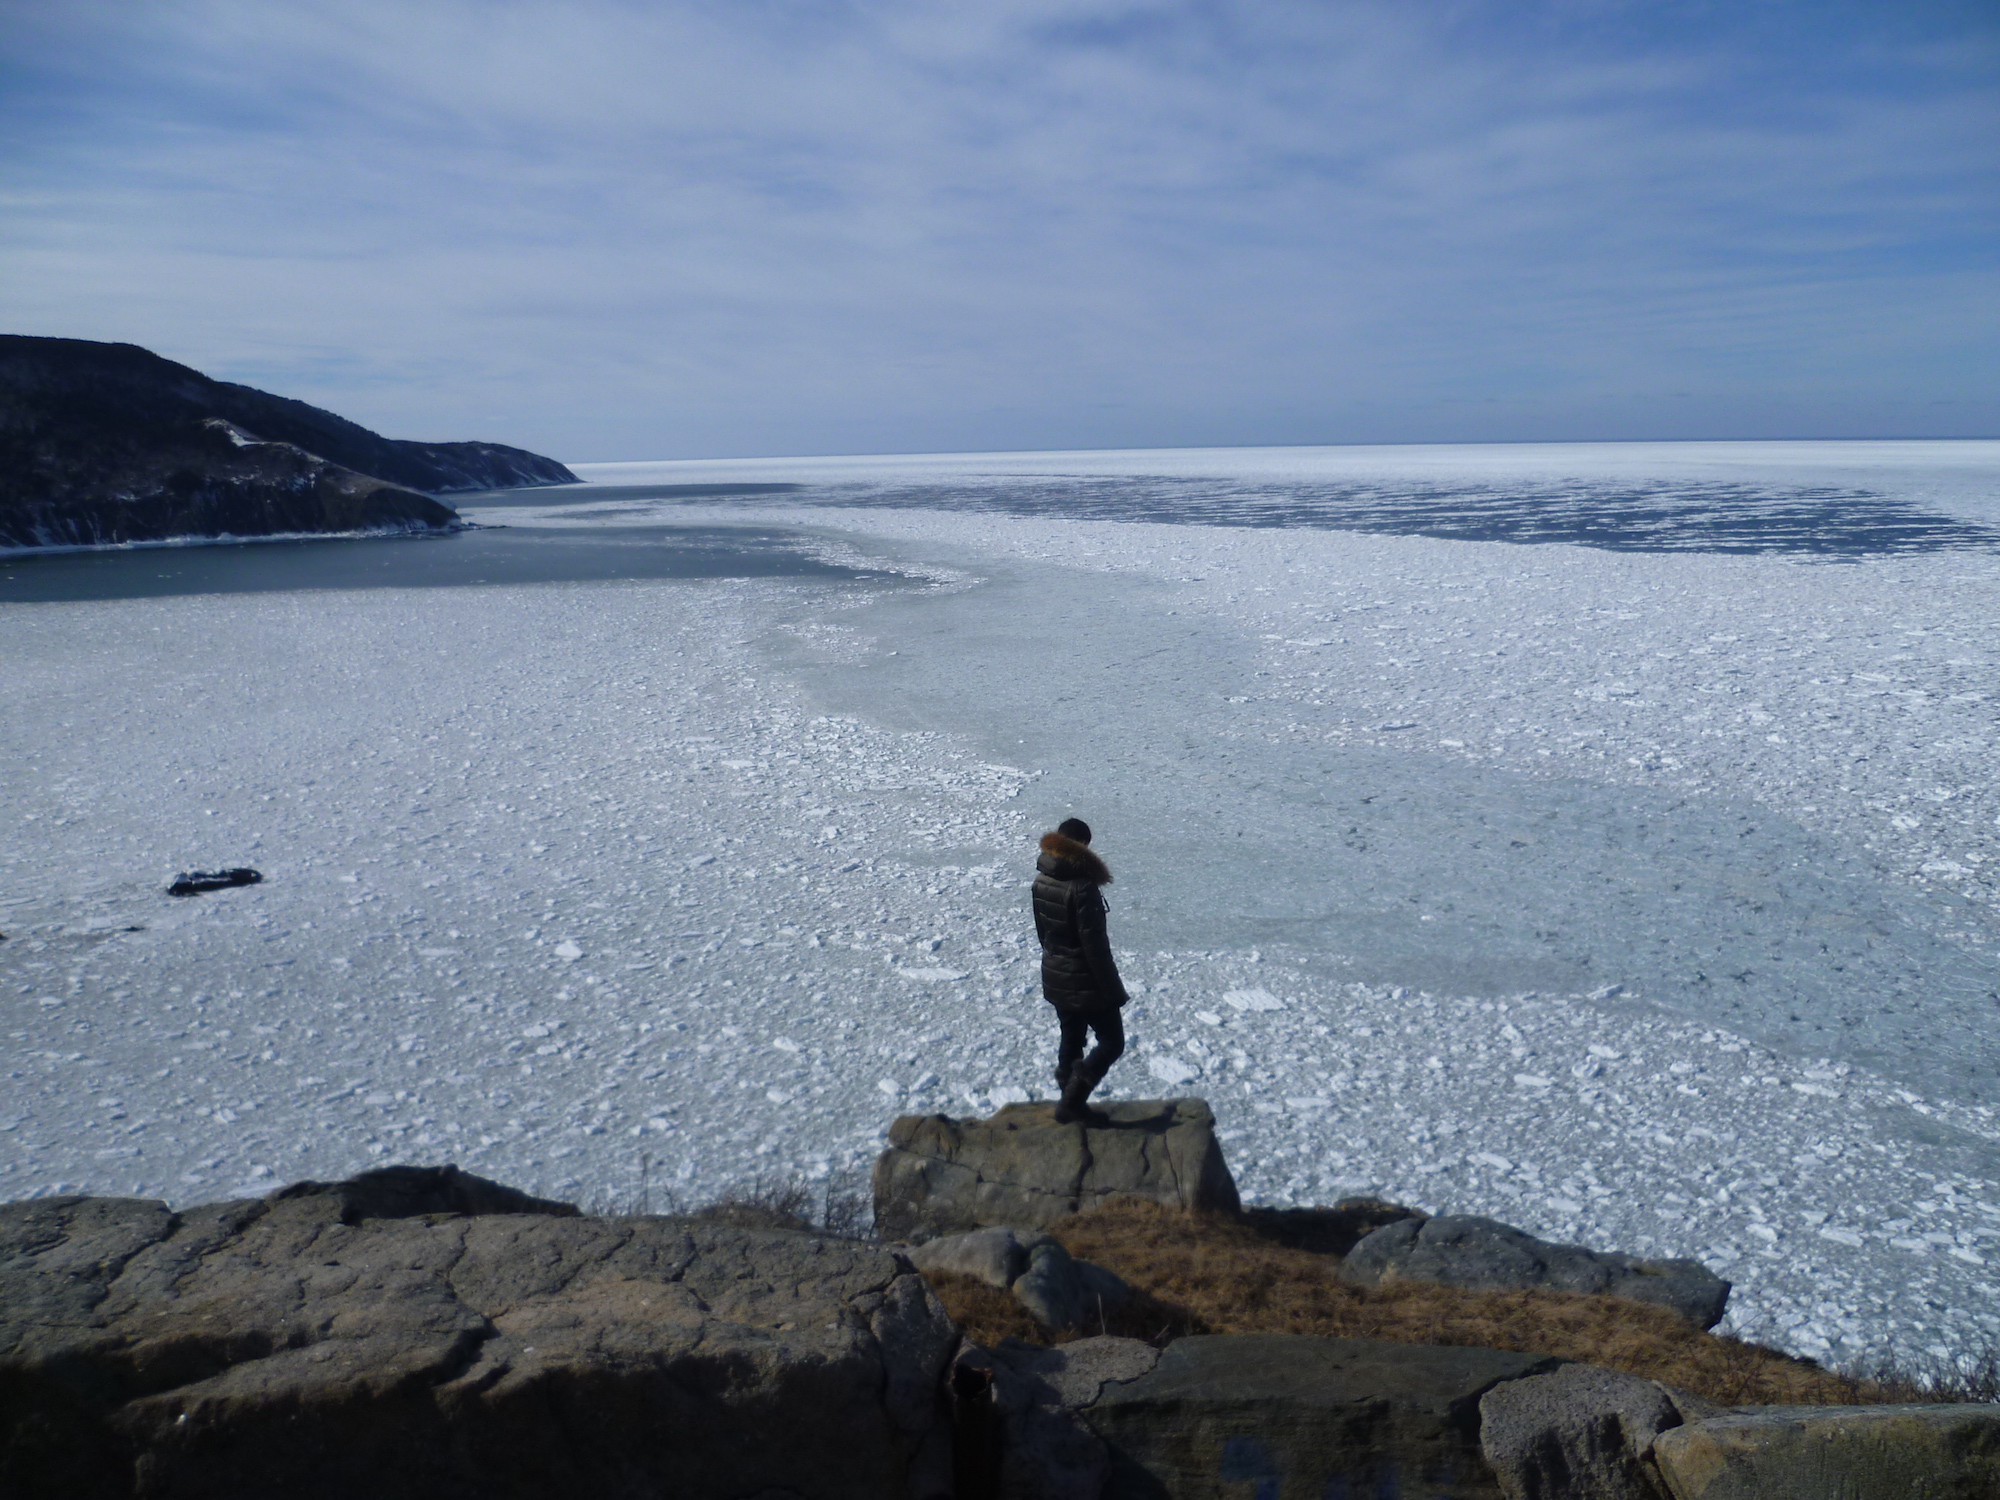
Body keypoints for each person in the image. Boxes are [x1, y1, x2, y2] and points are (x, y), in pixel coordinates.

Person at [1032, 817, 1128, 1125]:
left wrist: (1057, 962)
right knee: (1112, 1042)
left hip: (1055, 973)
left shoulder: (1041, 880)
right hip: (1085, 980)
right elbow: (1095, 947)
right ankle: (1072, 1103)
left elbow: (1042, 934)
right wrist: (1113, 991)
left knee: (1071, 1037)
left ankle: (1071, 1102)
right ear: (1082, 847)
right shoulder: (1083, 887)